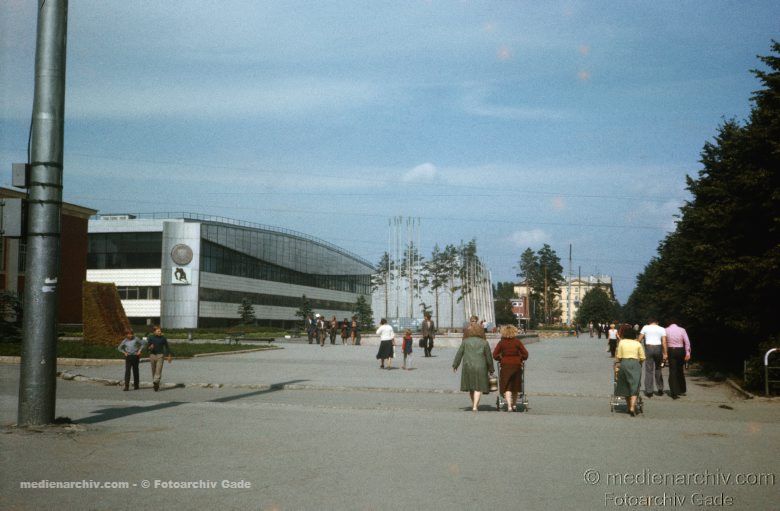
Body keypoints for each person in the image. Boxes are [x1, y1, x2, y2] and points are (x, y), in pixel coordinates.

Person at [452, 323, 495, 412]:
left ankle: (474, 404)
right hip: (481, 366)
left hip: (468, 366)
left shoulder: (465, 342)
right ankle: (475, 406)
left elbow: (459, 353)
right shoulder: (484, 342)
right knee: (478, 387)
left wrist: (455, 365)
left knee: (471, 387)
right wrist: (491, 369)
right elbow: (489, 357)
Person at [492, 325, 529, 411]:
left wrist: (500, 358)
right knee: (515, 386)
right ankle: (514, 404)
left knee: (507, 386)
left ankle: (509, 406)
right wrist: (521, 358)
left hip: (505, 365)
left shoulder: (501, 343)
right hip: (516, 365)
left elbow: (494, 355)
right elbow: (525, 354)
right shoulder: (517, 342)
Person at [614, 324, 646, 416]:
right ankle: (632, 407)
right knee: (634, 385)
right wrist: (639, 364)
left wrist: (617, 364)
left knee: (625, 385)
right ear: (634, 335)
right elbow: (643, 357)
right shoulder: (637, 344)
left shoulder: (622, 343)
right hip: (635, 364)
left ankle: (629, 407)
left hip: (624, 363)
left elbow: (619, 356)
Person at [638, 318, 667, 398]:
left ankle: (649, 391)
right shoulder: (662, 328)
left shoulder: (645, 327)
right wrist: (665, 353)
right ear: (657, 322)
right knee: (658, 369)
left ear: (649, 322)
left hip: (648, 348)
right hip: (658, 348)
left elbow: (639, 339)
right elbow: (664, 342)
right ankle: (660, 388)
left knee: (649, 370)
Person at [665, 319, 691, 399]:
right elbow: (687, 342)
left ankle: (674, 392)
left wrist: (664, 354)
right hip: (680, 350)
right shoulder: (682, 330)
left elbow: (664, 342)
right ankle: (681, 390)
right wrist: (687, 353)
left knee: (673, 371)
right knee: (680, 370)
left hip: (671, 350)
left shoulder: (665, 330)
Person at [146, 325, 172, 392]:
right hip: (152, 355)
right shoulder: (151, 337)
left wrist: (169, 355)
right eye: (158, 331)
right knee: (153, 370)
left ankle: (156, 381)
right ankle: (156, 384)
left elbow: (167, 347)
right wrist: (150, 347)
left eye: (160, 331)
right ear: (154, 332)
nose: (160, 332)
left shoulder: (163, 338)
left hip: (160, 355)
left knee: (158, 370)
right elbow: (147, 348)